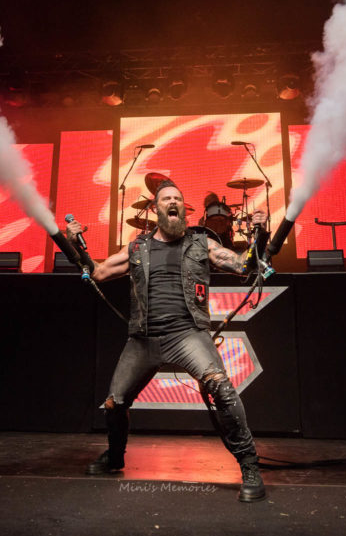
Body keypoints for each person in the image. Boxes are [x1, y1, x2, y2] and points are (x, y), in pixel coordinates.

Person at [66, 179, 268, 502]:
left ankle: (250, 466)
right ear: (156, 209)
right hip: (143, 339)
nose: (173, 202)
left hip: (188, 334)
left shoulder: (201, 243)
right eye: (166, 199)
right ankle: (115, 458)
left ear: (183, 209)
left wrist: (261, 235)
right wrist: (75, 245)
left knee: (221, 387)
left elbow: (243, 265)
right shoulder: (137, 247)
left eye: (178, 199)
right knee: (114, 404)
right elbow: (98, 273)